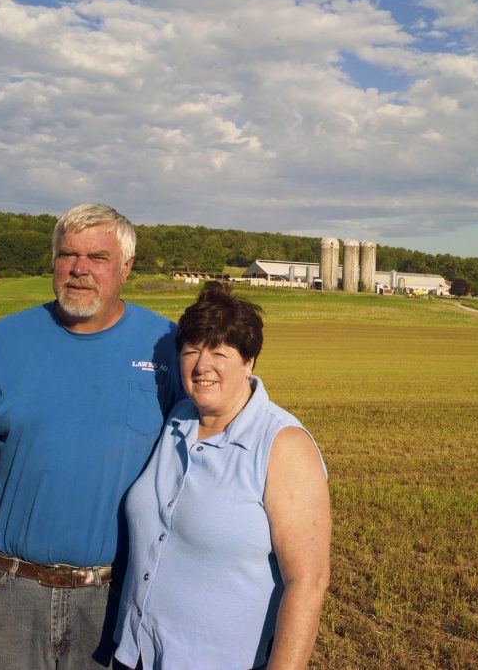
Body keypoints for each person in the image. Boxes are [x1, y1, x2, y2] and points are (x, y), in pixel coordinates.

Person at [0, 203, 181, 670]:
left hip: (118, 596)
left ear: (126, 267)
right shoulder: (5, 342)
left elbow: (205, 455)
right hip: (11, 590)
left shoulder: (167, 344)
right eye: (68, 255)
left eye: (98, 257)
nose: (79, 269)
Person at [114, 281, 331, 670]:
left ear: (249, 362)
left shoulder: (283, 445)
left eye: (219, 352)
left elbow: (308, 582)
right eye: (191, 350)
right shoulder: (177, 420)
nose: (202, 366)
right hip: (137, 654)